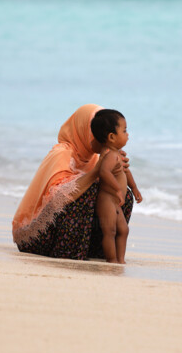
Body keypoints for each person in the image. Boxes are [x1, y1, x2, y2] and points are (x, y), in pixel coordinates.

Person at [12, 104, 134, 260]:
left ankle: (100, 250)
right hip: (38, 238)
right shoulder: (62, 153)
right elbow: (57, 200)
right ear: (86, 131)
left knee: (124, 196)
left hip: (67, 232)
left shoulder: (94, 156)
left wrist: (118, 171)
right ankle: (69, 251)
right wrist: (97, 171)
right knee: (88, 192)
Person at [90, 109, 142, 264]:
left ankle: (121, 259)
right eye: (124, 131)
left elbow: (126, 172)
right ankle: (112, 259)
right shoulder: (110, 155)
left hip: (115, 201)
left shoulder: (118, 154)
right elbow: (104, 171)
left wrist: (134, 188)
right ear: (112, 137)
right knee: (110, 231)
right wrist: (118, 189)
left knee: (123, 230)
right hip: (106, 200)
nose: (128, 134)